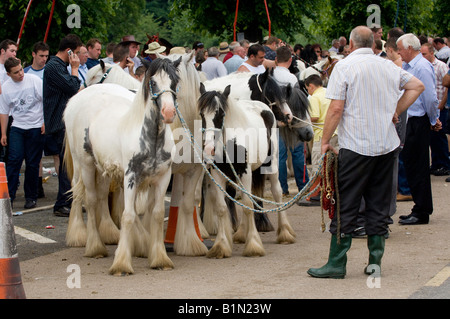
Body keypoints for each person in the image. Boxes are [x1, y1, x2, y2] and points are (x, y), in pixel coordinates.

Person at [307, 26, 425, 279]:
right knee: (379, 204)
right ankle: (374, 264)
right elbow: (417, 86)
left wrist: (325, 141)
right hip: (386, 145)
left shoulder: (344, 66)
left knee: (346, 204)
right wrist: (395, 110)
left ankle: (337, 264)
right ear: (374, 43)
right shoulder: (388, 66)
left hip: (357, 146)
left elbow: (336, 109)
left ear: (350, 44)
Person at [397, 33, 440, 225]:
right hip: (411, 120)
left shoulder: (422, 67)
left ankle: (422, 210)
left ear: (409, 48)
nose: (399, 52)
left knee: (418, 166)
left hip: (418, 120)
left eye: (400, 48)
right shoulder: (409, 66)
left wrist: (433, 119)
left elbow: (430, 97)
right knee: (412, 164)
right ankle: (419, 206)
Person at [43, 33, 82, 217]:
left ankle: (69, 199)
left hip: (62, 122)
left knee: (70, 163)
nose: (77, 58)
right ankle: (62, 203)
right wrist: (75, 69)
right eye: (75, 53)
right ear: (69, 51)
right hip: (59, 123)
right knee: (67, 164)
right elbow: (73, 87)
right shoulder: (53, 67)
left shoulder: (57, 66)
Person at [0, 58, 45, 209]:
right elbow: (4, 112)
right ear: (8, 74)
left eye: (21, 70)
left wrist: (44, 122)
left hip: (35, 126)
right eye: (16, 72)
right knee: (14, 161)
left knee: (33, 163)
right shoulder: (6, 87)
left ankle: (31, 197)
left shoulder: (33, 80)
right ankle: (9, 197)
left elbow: (45, 101)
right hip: (17, 127)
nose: (20, 74)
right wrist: (3, 134)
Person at [271, 46, 308, 196]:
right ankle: (303, 187)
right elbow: (296, 101)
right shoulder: (292, 78)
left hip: (275, 119)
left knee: (280, 155)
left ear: (275, 59)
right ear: (290, 60)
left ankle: (282, 188)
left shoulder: (269, 75)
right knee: (297, 153)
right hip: (292, 119)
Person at [298, 74, 337, 206]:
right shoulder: (328, 92)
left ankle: (314, 195)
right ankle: (329, 193)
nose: (308, 91)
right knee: (332, 167)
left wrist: (301, 119)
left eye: (307, 89)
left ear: (311, 86)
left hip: (321, 135)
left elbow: (314, 117)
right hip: (335, 133)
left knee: (317, 166)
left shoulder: (314, 97)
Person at [385, 36, 412, 202]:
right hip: (401, 112)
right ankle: (402, 188)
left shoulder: (396, 67)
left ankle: (404, 188)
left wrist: (397, 110)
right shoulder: (401, 66)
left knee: (398, 152)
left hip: (399, 113)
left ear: (389, 50)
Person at [420, 43, 449, 175]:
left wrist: (442, 103)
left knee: (440, 136)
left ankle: (444, 164)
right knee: (433, 138)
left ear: (432, 53)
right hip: (430, 106)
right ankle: (436, 163)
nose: (422, 56)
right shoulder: (424, 66)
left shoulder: (441, 66)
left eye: (424, 54)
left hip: (440, 106)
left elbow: (447, 86)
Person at [0, 39, 18, 162]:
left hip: (12, 114)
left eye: (16, 51)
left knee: (12, 151)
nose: (14, 54)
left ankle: (11, 179)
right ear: (2, 51)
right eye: (12, 51)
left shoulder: (14, 70)